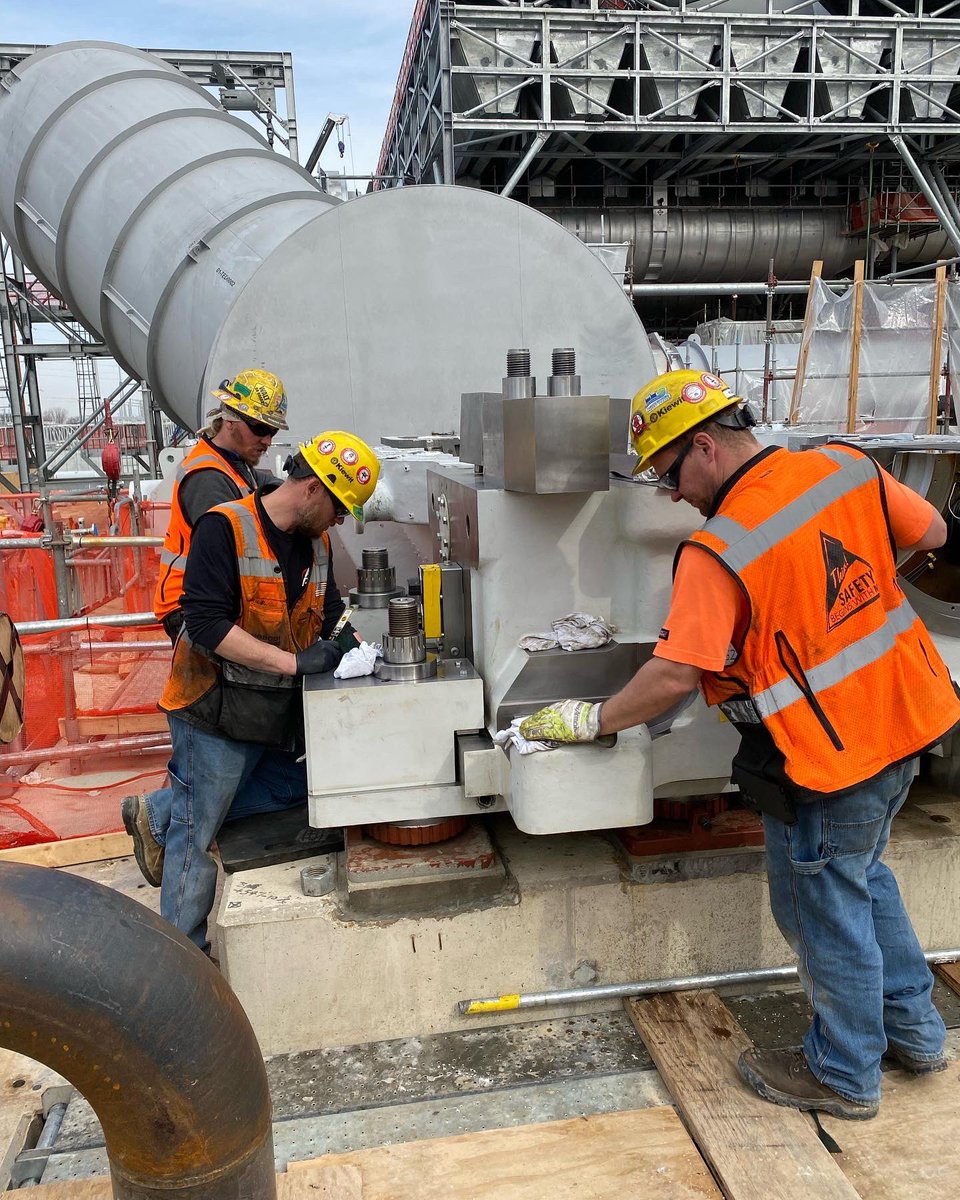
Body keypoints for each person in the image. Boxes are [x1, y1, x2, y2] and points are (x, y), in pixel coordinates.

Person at [519, 368, 960, 1121]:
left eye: (667, 473)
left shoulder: (719, 549)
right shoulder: (846, 467)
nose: (670, 493)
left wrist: (589, 721)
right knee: (865, 880)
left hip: (829, 759)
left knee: (826, 911)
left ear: (705, 448)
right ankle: (915, 1033)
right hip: (909, 724)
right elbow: (936, 538)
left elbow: (670, 680)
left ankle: (845, 1073)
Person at [123, 430, 380, 954]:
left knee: (293, 788)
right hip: (214, 711)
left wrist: (365, 652)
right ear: (312, 488)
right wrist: (293, 663)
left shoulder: (319, 543)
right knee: (196, 839)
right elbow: (206, 624)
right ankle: (182, 965)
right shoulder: (225, 527)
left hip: (268, 713)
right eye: (338, 508)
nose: (339, 521)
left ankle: (161, 809)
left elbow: (330, 615)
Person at [154, 368, 289, 644]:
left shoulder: (235, 465)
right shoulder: (207, 478)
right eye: (260, 429)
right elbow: (232, 548)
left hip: (211, 599)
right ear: (230, 420)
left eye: (272, 430)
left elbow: (265, 487)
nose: (267, 440)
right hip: (193, 608)